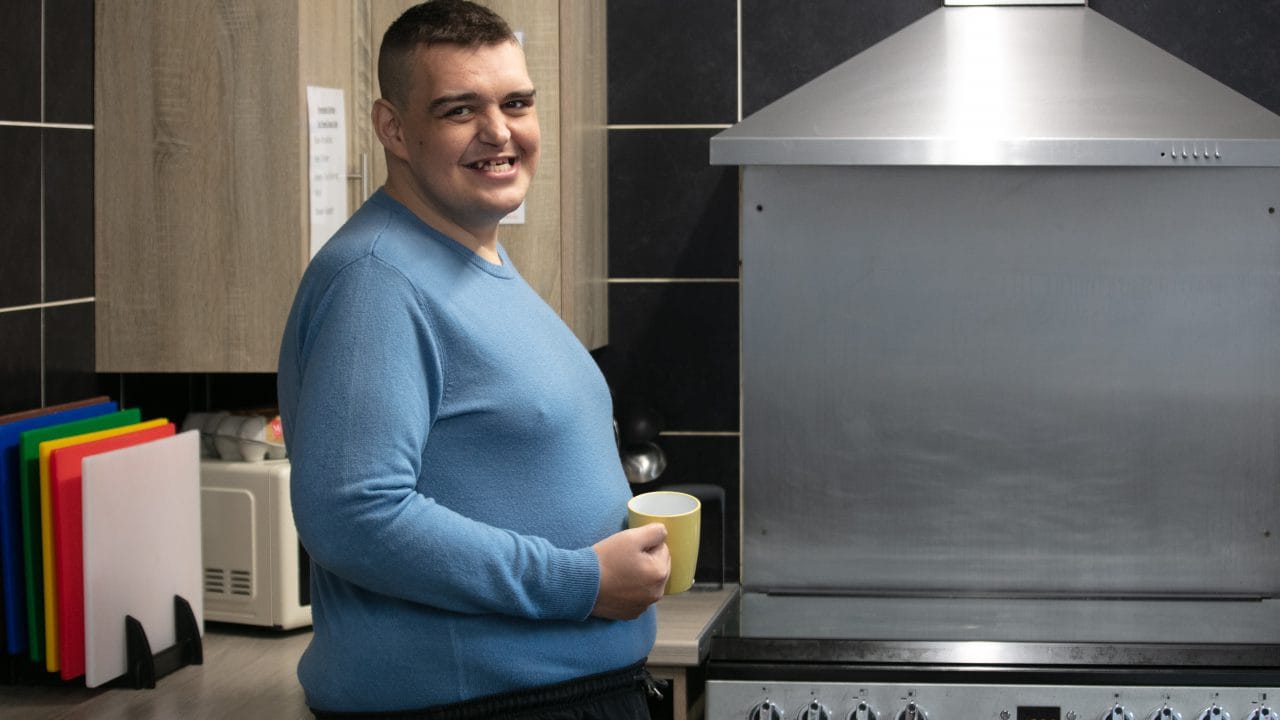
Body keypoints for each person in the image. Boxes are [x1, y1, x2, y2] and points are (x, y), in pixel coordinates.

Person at [275, 1, 671, 717]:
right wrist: (577, 581)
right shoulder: (376, 282)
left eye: (516, 103)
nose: (499, 132)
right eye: (460, 110)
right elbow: (353, 515)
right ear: (394, 129)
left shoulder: (470, 255)